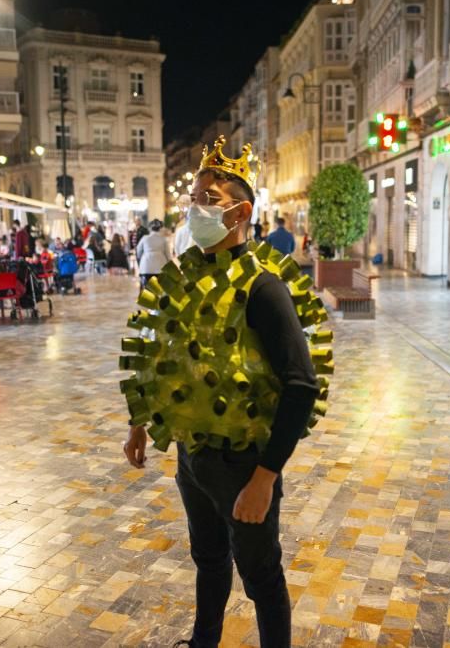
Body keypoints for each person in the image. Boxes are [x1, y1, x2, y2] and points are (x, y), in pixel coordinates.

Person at [124, 137, 318, 648]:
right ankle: (203, 642)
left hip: (244, 465)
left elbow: (301, 385)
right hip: (194, 456)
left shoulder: (263, 288)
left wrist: (265, 476)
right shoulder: (185, 277)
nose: (194, 210)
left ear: (241, 211)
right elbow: (155, 350)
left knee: (261, 578)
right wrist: (139, 419)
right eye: (193, 199)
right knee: (208, 560)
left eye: (207, 200)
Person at [135, 219, 172, 289]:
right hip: (160, 267)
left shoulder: (145, 238)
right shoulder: (163, 239)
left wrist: (140, 260)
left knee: (147, 290)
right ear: (160, 228)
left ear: (150, 228)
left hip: (146, 267)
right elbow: (168, 255)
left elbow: (138, 251)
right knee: (160, 289)